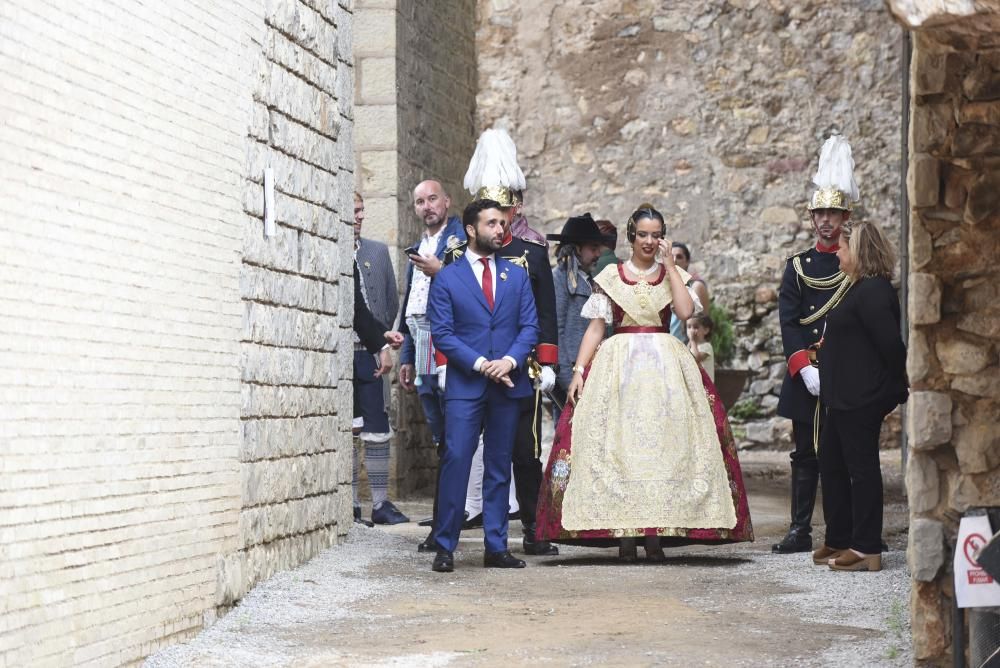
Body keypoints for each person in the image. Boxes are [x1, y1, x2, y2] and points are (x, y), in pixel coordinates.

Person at [535, 206, 753, 562]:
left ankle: (656, 535)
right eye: (643, 235)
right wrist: (578, 370)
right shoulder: (611, 275)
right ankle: (624, 534)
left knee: (665, 450)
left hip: (665, 366)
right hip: (618, 365)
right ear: (632, 236)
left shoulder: (672, 273)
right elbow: (595, 327)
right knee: (618, 448)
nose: (649, 241)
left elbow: (684, 313)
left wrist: (670, 268)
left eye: (656, 235)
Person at [442, 128, 560, 557]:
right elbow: (447, 314)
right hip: (470, 367)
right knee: (456, 452)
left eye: (505, 213)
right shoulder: (458, 256)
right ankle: (444, 533)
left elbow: (543, 313)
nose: (502, 221)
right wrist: (443, 363)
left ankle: (532, 527)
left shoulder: (532, 252)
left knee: (523, 454)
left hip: (518, 367)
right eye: (493, 215)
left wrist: (546, 362)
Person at [426, 199, 540, 572]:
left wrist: (508, 361)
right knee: (457, 458)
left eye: (502, 223)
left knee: (498, 464)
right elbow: (442, 334)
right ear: (471, 230)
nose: (500, 229)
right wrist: (480, 364)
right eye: (491, 223)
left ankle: (497, 546)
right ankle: (445, 545)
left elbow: (529, 328)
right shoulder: (447, 277)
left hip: (508, 382)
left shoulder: (517, 275)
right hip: (466, 385)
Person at [773, 135, 856, 554]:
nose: (826, 220)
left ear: (845, 216)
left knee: (845, 455)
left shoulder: (856, 265)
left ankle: (846, 532)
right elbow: (788, 320)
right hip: (807, 372)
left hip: (844, 371)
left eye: (834, 213)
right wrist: (803, 366)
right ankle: (799, 529)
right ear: (812, 217)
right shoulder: (798, 267)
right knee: (804, 453)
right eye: (820, 212)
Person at [811, 221, 907, 572]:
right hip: (843, 397)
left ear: (860, 252)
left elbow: (891, 348)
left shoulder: (875, 292)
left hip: (860, 397)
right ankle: (840, 536)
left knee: (861, 469)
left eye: (843, 247)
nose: (837, 252)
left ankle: (867, 548)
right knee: (832, 464)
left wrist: (889, 387)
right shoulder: (859, 290)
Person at [397, 180, 466, 549]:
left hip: (446, 340)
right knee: (440, 436)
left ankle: (448, 523)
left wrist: (442, 270)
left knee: (453, 435)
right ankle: (443, 523)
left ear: (447, 201)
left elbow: (470, 286)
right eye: (420, 201)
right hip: (420, 339)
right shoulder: (420, 244)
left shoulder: (459, 239)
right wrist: (407, 354)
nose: (427, 206)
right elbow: (411, 302)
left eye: (432, 199)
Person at [352, 193, 408, 526]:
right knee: (349, 429)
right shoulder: (335, 249)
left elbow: (387, 300)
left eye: (361, 210)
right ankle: (350, 503)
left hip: (371, 350)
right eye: (354, 210)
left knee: (376, 427)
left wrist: (381, 337)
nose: (360, 216)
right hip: (345, 351)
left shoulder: (376, 251)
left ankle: (380, 503)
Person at [548, 213, 615, 411]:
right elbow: (556, 332)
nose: (597, 254)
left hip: (593, 373)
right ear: (577, 248)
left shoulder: (591, 280)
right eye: (593, 248)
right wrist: (568, 380)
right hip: (571, 375)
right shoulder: (559, 279)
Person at [668, 242, 710, 344]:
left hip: (687, 350)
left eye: (679, 257)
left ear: (687, 262)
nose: (674, 260)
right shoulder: (663, 288)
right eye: (671, 257)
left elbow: (699, 326)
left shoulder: (695, 287)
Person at [686, 313, 715, 382]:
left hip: (705, 385)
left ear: (706, 330)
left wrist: (692, 341)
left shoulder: (707, 346)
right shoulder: (691, 345)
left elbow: (696, 359)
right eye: (689, 327)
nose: (691, 330)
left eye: (695, 327)